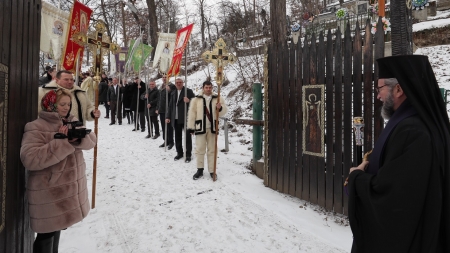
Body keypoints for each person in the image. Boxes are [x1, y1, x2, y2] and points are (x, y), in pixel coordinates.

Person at [347, 55, 450, 252]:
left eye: (380, 89)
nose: (378, 96)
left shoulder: (413, 130)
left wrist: (356, 178)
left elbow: (395, 197)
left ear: (399, 89)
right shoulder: (415, 123)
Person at [20, 89, 96, 253]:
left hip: (67, 192)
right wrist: (61, 142)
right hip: (49, 192)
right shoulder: (36, 127)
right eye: (62, 104)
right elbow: (30, 159)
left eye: (68, 104)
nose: (66, 108)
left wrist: (78, 138)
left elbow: (91, 142)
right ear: (51, 105)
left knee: (57, 230)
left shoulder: (71, 121)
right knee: (45, 236)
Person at [188, 80, 228, 180]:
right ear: (203, 88)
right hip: (200, 127)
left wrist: (220, 108)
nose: (208, 89)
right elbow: (192, 114)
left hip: (213, 127)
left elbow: (224, 111)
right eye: (206, 87)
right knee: (200, 149)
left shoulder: (218, 98)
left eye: (210, 87)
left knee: (212, 150)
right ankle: (200, 169)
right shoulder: (196, 99)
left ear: (212, 88)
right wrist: (191, 128)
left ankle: (212, 170)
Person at [166, 78, 195, 162]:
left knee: (187, 137)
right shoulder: (173, 92)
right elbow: (170, 106)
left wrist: (189, 101)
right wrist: (168, 117)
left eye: (180, 82)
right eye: (177, 82)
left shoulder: (188, 91)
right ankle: (179, 153)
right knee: (177, 137)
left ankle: (188, 154)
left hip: (185, 118)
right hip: (175, 118)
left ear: (183, 83)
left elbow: (195, 102)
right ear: (175, 84)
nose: (178, 84)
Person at [156, 75, 175, 149]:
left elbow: (174, 95)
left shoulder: (171, 86)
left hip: (168, 110)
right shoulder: (161, 86)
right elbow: (159, 99)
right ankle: (165, 140)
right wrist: (158, 108)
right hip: (162, 110)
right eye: (163, 77)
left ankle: (171, 142)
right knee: (164, 127)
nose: (164, 78)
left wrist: (170, 90)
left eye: (165, 77)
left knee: (169, 127)